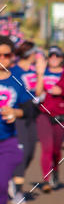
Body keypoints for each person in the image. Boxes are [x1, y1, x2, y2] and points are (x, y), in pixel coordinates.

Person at [0, 36, 34, 204]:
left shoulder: (17, 80)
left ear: (12, 57)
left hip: (7, 141)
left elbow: (29, 110)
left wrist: (15, 113)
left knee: (1, 184)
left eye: (7, 55)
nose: (2, 59)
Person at [9, 41, 39, 204]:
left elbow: (39, 93)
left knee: (31, 152)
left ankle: (13, 177)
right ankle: (17, 191)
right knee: (23, 152)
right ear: (30, 54)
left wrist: (40, 75)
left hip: (32, 114)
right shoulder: (14, 71)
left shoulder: (35, 71)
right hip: (17, 114)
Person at [35, 45, 64, 192]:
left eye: (57, 56)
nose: (53, 59)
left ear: (61, 59)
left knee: (56, 151)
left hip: (60, 117)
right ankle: (46, 179)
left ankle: (55, 171)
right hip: (43, 115)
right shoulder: (42, 73)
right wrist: (40, 75)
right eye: (51, 56)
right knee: (47, 148)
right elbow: (37, 92)